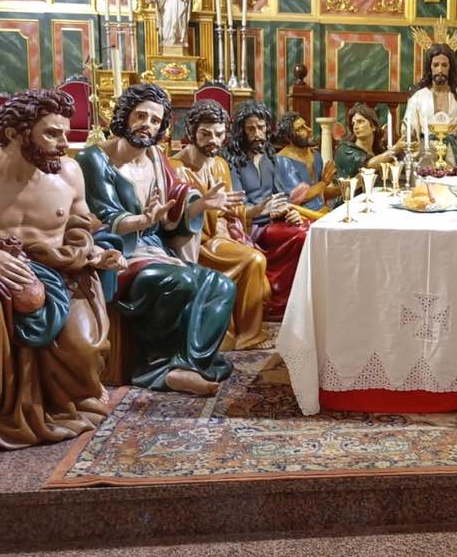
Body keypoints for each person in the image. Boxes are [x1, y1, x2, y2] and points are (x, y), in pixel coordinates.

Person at [0, 89, 126, 461]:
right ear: (16, 133)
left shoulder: (69, 172)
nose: (63, 144)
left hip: (61, 272)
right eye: (52, 133)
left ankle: (76, 395)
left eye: (65, 133)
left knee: (84, 346)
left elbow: (80, 226)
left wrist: (86, 253)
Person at [77, 83, 236, 396]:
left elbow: (176, 201)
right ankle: (156, 367)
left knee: (222, 285)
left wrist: (200, 205)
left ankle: (188, 364)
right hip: (117, 253)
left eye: (155, 120)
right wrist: (143, 221)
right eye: (140, 115)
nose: (147, 124)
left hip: (156, 250)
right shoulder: (95, 159)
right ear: (125, 115)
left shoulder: (155, 157)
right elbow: (105, 216)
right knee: (180, 281)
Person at [171, 100, 273, 350]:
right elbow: (174, 218)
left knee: (256, 260)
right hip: (195, 243)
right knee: (254, 260)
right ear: (191, 131)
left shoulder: (219, 164)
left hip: (222, 237)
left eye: (219, 134)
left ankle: (245, 333)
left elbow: (230, 208)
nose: (213, 141)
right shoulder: (176, 168)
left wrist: (253, 211)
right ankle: (249, 335)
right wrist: (206, 208)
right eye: (205, 134)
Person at [226, 100, 308, 321]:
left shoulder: (269, 157)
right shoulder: (232, 161)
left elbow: (281, 196)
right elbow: (236, 207)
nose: (257, 134)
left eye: (261, 128)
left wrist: (289, 211)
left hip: (274, 220)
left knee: (308, 229)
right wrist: (262, 211)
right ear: (241, 131)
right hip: (251, 227)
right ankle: (277, 303)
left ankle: (293, 299)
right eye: (251, 129)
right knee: (300, 236)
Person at [401, 43, 457, 166]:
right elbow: (409, 128)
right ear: (430, 67)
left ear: (450, 67)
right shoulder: (418, 97)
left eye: (444, 65)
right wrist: (410, 135)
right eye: (436, 65)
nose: (440, 70)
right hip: (425, 155)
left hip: (452, 157)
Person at [275, 112, 338, 217]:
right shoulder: (283, 161)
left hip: (321, 213)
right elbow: (298, 198)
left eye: (306, 125)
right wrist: (324, 183)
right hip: (299, 217)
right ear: (288, 138)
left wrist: (345, 187)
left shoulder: (315, 155)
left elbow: (321, 192)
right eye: (300, 129)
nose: (309, 130)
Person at [334, 103, 406, 179]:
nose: (355, 127)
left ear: (373, 126)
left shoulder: (378, 152)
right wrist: (395, 149)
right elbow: (367, 166)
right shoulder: (345, 150)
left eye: (360, 122)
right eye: (353, 124)